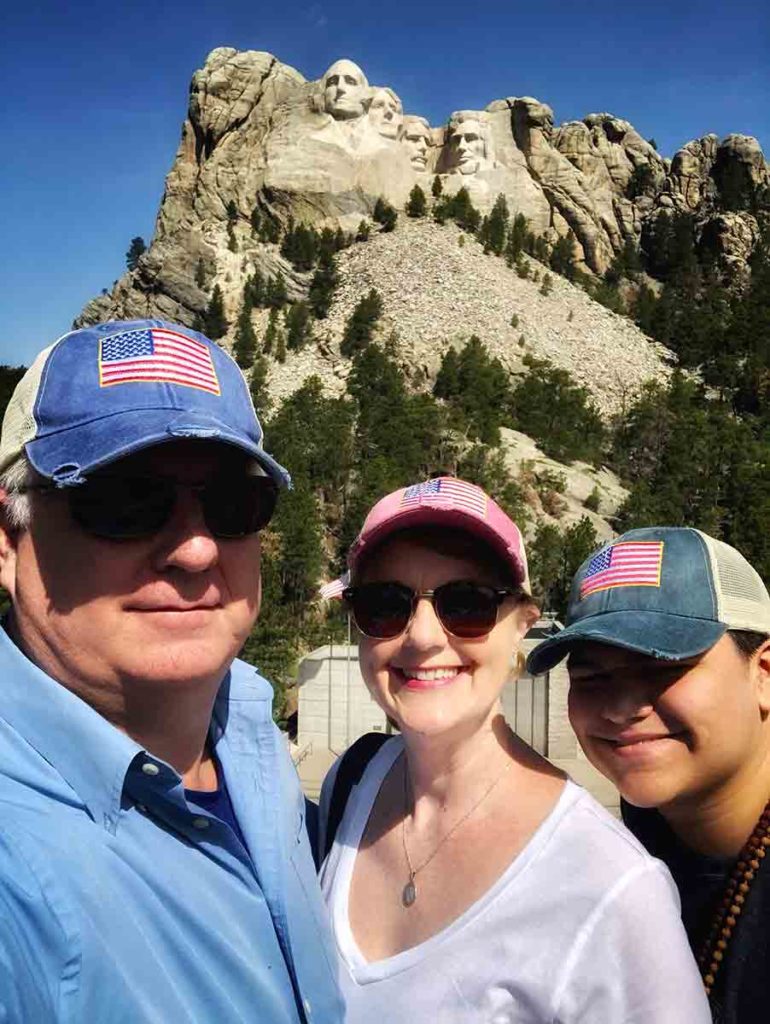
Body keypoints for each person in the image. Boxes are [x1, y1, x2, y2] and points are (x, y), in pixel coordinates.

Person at [0, 319, 343, 1022]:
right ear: (8, 542)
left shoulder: (243, 714)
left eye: (231, 504)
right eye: (126, 500)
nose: (194, 550)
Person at [317, 479, 710, 1023]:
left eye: (467, 603)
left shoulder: (613, 889)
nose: (423, 637)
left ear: (523, 626)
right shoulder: (350, 784)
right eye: (385, 604)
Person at [528, 525, 770, 1023]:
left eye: (664, 667)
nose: (620, 709)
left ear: (763, 675)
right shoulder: (638, 838)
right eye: (591, 675)